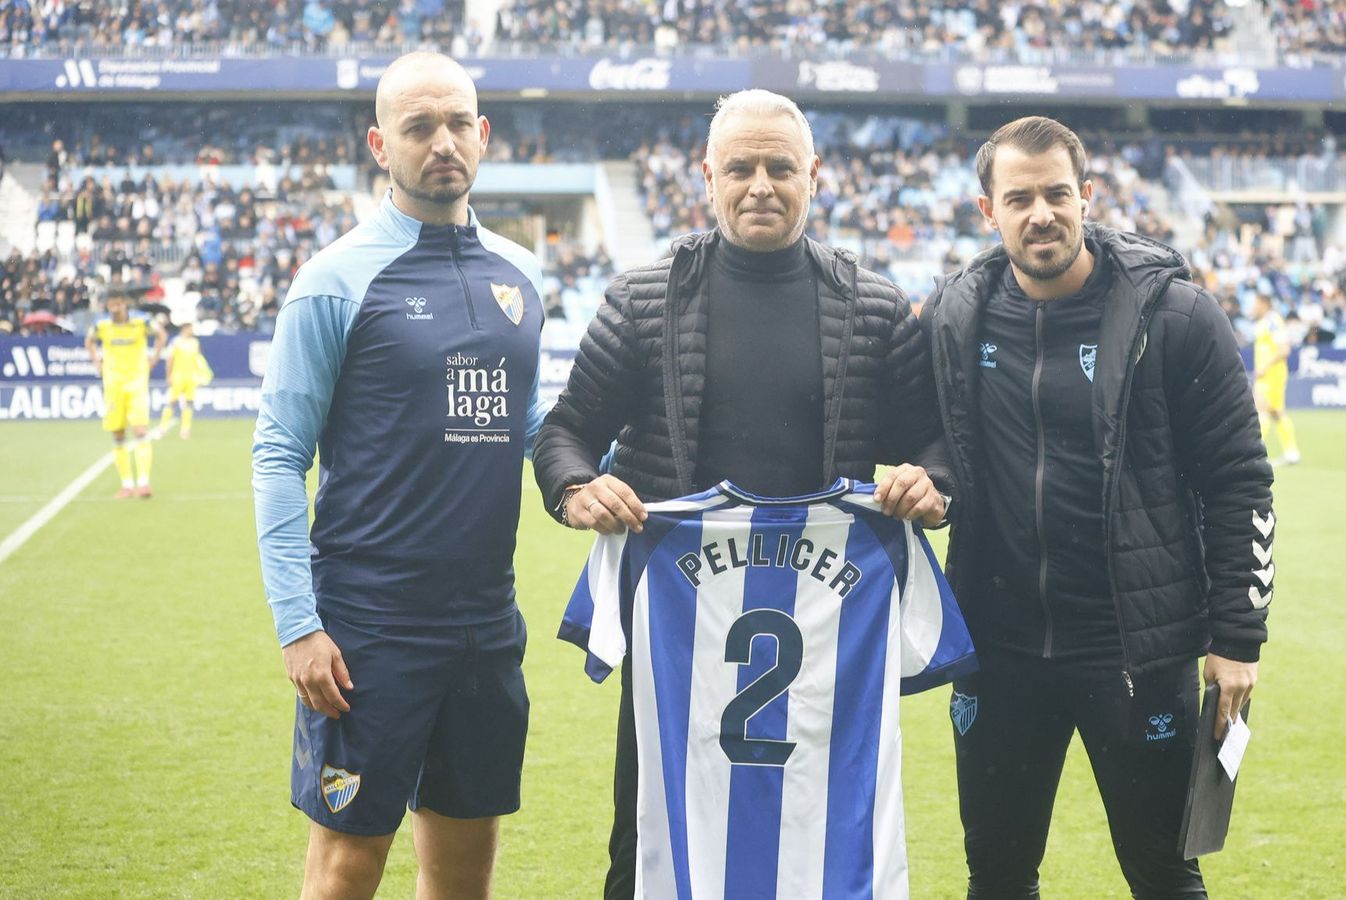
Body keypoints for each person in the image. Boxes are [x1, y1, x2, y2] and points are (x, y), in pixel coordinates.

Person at [532, 88, 952, 900]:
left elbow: (934, 448)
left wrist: (929, 484)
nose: (761, 184)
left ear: (815, 175)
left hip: (831, 643)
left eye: (780, 167)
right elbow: (566, 431)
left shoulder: (872, 307)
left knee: (825, 846)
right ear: (707, 176)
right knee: (650, 843)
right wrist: (578, 489)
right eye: (741, 168)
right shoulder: (644, 299)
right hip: (679, 644)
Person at [920, 116, 1276, 898]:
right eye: (1019, 198)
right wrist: (931, 482)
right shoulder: (954, 316)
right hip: (999, 648)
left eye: (1056, 194)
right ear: (988, 211)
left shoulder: (1177, 319)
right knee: (998, 876)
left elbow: (1240, 481)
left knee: (1162, 874)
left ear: (1087, 197)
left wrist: (1238, 637)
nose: (1040, 213)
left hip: (1136, 656)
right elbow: (925, 441)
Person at [251, 52, 547, 900]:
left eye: (458, 123)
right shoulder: (333, 281)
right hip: (368, 631)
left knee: (464, 878)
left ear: (483, 135)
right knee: (346, 870)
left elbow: (529, 426)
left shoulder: (522, 275)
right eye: (419, 127)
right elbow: (278, 455)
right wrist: (297, 624)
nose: (442, 142)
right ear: (382, 145)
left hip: (487, 626)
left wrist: (587, 478)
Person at [86, 291, 164, 498]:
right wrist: (98, 363)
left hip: (137, 383)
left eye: (117, 305)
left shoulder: (142, 321)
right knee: (118, 434)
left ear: (125, 304)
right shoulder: (101, 325)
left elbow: (161, 334)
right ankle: (127, 485)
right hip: (113, 386)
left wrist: (154, 358)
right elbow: (89, 342)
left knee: (140, 431)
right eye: (110, 305)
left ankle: (144, 483)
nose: (113, 309)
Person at [1251, 292, 1302, 465]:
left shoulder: (1273, 322)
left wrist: (1265, 366)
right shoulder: (1265, 322)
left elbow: (1284, 349)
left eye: (1255, 303)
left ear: (1264, 303)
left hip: (1272, 375)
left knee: (1262, 410)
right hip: (1267, 375)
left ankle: (1255, 453)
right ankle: (1292, 452)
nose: (1253, 307)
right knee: (1276, 412)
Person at [158, 321, 212, 439]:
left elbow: (199, 360)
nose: (191, 331)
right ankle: (162, 427)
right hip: (178, 376)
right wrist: (168, 375)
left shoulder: (195, 342)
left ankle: (185, 429)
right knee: (172, 402)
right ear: (184, 329)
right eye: (190, 328)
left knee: (189, 403)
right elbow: (170, 359)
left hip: (191, 377)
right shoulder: (176, 342)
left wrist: (200, 376)